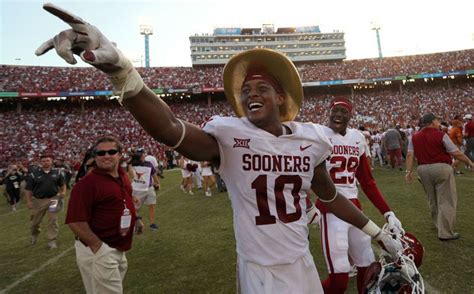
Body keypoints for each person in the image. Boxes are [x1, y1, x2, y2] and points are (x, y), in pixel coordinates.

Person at [37, 5, 401, 292]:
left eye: (261, 89)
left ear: (281, 97)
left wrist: (376, 232)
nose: (250, 95)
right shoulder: (228, 135)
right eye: (245, 92)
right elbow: (168, 127)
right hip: (260, 270)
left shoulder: (312, 138)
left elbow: (329, 196)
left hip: (302, 261)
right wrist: (123, 71)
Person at [316, 98, 404, 294]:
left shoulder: (357, 137)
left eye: (343, 111)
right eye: (335, 110)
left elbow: (368, 182)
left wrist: (388, 212)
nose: (338, 114)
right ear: (329, 112)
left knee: (368, 271)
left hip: (355, 211)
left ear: (350, 115)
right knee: (339, 280)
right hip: (331, 210)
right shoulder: (318, 134)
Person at [66, 136, 137, 293]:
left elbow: (126, 200)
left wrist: (136, 219)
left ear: (119, 154)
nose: (106, 156)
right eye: (101, 153)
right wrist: (98, 247)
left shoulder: (122, 175)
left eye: (111, 151)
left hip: (117, 246)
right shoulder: (86, 184)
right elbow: (75, 221)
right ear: (95, 157)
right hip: (99, 248)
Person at [406, 113, 474, 241]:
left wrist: (408, 171)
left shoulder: (414, 137)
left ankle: (438, 224)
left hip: (423, 169)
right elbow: (456, 152)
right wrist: (469, 162)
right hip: (441, 167)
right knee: (447, 200)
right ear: (432, 122)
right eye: (437, 121)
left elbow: (410, 155)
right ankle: (445, 232)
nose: (439, 123)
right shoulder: (441, 135)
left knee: (432, 199)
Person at [25, 153, 66, 249]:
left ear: (52, 161)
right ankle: (34, 234)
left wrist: (63, 192)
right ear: (40, 162)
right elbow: (28, 189)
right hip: (38, 200)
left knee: (53, 219)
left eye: (48, 160)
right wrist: (29, 201)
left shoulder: (57, 172)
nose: (46, 162)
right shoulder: (33, 174)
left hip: (53, 199)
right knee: (35, 222)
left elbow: (62, 184)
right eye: (43, 161)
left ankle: (52, 240)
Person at [127, 148, 160, 231]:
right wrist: (130, 164)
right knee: (135, 209)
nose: (144, 156)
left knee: (152, 205)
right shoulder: (133, 165)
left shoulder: (148, 164)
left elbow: (153, 174)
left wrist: (157, 182)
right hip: (137, 190)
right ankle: (135, 222)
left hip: (149, 188)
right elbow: (131, 175)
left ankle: (152, 223)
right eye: (142, 155)